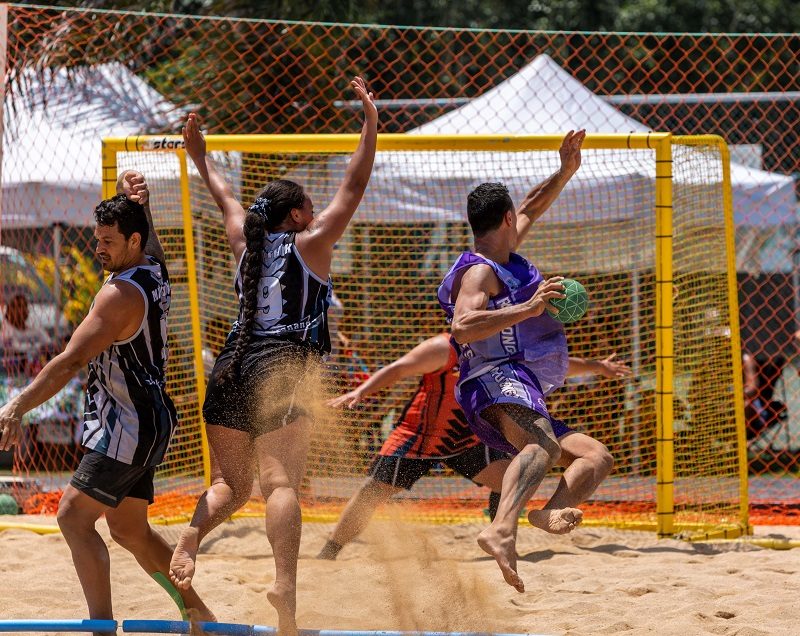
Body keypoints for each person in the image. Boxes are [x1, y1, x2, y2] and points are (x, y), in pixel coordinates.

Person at [168, 76, 377, 635]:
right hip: (279, 367)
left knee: (230, 486)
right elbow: (354, 186)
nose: (319, 207)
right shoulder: (313, 243)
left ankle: (191, 535)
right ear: (296, 217)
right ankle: (284, 583)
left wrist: (200, 157)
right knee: (280, 485)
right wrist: (369, 124)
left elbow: (225, 196)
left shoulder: (244, 241)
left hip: (231, 364)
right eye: (310, 204)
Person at [0, 171, 214, 633]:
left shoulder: (117, 296)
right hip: (151, 419)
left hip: (129, 426)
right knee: (129, 530)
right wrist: (137, 203)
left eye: (109, 240)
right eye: (96, 238)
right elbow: (150, 239)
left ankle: (100, 627)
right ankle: (199, 615)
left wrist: (17, 405)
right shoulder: (151, 266)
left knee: (73, 518)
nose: (99, 248)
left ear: (133, 241)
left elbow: (71, 360)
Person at [437, 130, 591, 593]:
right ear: (504, 219)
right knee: (541, 444)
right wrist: (529, 308)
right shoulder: (480, 269)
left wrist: (565, 171)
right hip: (489, 375)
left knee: (593, 456)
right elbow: (463, 325)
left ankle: (537, 515)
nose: (520, 217)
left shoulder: (503, 248)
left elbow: (532, 205)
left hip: (512, 376)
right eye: (514, 216)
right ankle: (502, 529)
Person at [318, 332, 627, 560]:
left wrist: (598, 367)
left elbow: (551, 367)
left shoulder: (504, 348)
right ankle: (329, 552)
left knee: (509, 477)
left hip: (467, 439)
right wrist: (360, 391)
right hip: (420, 438)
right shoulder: (445, 347)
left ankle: (503, 540)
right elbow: (399, 368)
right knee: (372, 494)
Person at [1, 293, 52, 375]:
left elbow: (49, 343)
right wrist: (37, 347)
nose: (20, 310)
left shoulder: (35, 329)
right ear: (9, 310)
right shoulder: (4, 331)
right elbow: (16, 349)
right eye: (16, 306)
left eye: (23, 306)